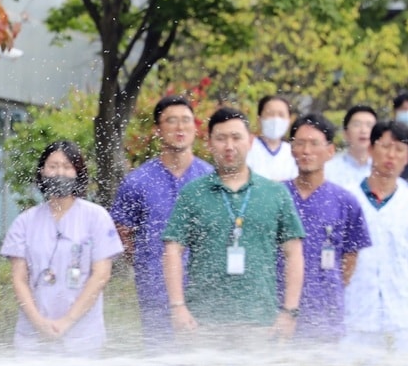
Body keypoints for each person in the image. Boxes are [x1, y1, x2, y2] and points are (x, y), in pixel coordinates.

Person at [1, 141, 122, 366]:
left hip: (81, 336)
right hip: (32, 335)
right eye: (52, 166)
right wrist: (40, 322)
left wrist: (67, 322)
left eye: (67, 166)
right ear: (41, 172)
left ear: (78, 172)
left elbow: (101, 275)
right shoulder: (26, 222)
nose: (59, 172)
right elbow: (19, 278)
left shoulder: (96, 218)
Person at [162, 107, 305, 336]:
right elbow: (172, 250)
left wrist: (290, 311)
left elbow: (294, 253)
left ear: (250, 141)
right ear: (209, 143)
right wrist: (177, 306)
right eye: (221, 138)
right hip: (202, 324)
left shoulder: (275, 193)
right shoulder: (193, 193)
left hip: (261, 322)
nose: (229, 146)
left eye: (236, 138)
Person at [109, 95, 214, 345]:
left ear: (195, 128)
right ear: (157, 130)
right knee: (160, 363)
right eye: (171, 121)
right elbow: (122, 231)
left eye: (186, 121)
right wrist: (146, 265)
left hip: (205, 292)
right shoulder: (138, 181)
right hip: (155, 294)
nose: (180, 128)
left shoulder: (211, 180)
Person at [282, 113, 371, 340]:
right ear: (291, 149)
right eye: (300, 143)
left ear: (330, 151)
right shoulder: (276, 196)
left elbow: (350, 261)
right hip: (279, 315)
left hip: (325, 318)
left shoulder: (346, 202)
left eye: (314, 144)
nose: (306, 150)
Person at [345, 120, 408, 358]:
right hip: (354, 313)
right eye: (385, 146)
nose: (391, 155)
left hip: (399, 316)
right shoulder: (348, 198)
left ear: (407, 157)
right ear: (371, 149)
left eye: (399, 149)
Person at [323, 104, 377, 190]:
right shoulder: (328, 169)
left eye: (369, 125)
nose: (363, 130)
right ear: (345, 133)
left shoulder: (382, 170)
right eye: (357, 124)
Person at [246, 94, 299, 181]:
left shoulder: (292, 152)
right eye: (270, 114)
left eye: (281, 115)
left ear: (289, 120)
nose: (276, 119)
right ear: (259, 119)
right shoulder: (248, 147)